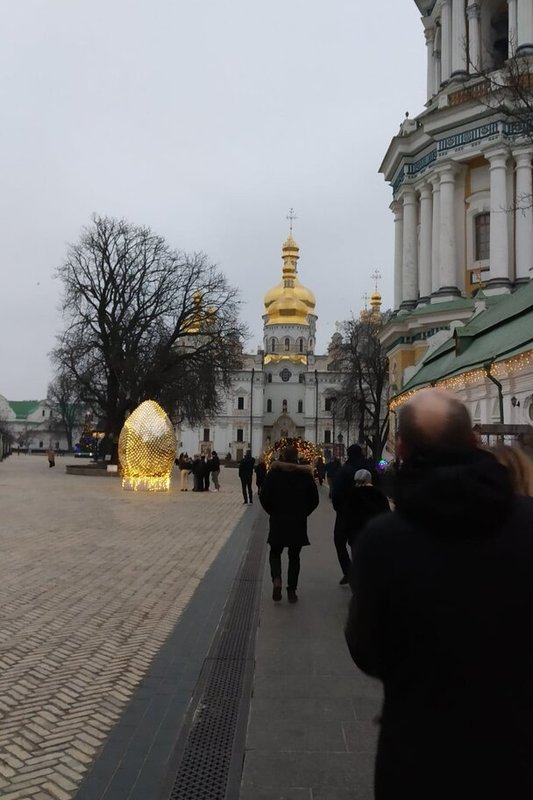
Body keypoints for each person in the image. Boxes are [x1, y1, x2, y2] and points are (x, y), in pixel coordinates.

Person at [345, 388, 533, 800]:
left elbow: (367, 649)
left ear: (402, 448)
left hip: (419, 757)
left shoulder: (382, 540)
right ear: (474, 441)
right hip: (518, 755)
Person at [259, 445, 319, 603]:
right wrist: (304, 513)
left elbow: (264, 496)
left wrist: (272, 511)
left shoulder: (274, 474)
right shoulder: (305, 476)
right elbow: (314, 500)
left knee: (275, 552)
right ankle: (292, 590)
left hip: (278, 519)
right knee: (294, 556)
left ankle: (277, 579)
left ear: (283, 456)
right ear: (296, 457)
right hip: (298, 521)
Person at [331, 444, 374, 585]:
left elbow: (336, 492)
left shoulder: (344, 470)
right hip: (367, 511)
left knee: (339, 542)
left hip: (346, 512)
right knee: (358, 543)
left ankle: (350, 571)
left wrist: (339, 508)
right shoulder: (369, 468)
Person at [343, 468, 390, 568]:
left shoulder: (352, 495)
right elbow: (386, 513)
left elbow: (347, 517)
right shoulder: (378, 494)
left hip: (356, 535)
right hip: (376, 534)